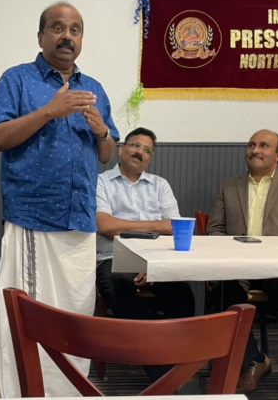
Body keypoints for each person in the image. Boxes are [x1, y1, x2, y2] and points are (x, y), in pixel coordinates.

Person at [0, 1, 118, 397]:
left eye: (75, 30)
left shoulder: (94, 89)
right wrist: (49, 111)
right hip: (35, 219)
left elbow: (107, 154)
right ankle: (24, 392)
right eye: (58, 28)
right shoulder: (17, 79)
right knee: (28, 316)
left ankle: (67, 392)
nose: (67, 36)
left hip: (80, 222)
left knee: (75, 314)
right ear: (41, 36)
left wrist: (101, 132)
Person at [206, 129, 278, 400]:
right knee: (223, 295)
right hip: (237, 268)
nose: (255, 150)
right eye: (251, 145)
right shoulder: (228, 186)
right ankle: (257, 360)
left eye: (263, 145)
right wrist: (232, 253)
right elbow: (215, 229)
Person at [95, 127, 195, 382]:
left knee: (182, 293)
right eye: (136, 145)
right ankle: (166, 377)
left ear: (150, 159)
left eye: (147, 150)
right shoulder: (101, 182)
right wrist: (155, 225)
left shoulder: (160, 185)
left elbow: (174, 227)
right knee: (118, 289)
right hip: (113, 258)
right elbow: (105, 226)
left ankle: (177, 363)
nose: (140, 152)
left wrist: (152, 263)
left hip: (157, 257)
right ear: (122, 149)